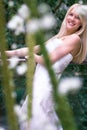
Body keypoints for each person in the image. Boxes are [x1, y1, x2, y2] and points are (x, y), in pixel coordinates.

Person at [6, 3, 87, 130]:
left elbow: (47, 60)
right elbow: (32, 49)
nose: (72, 19)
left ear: (82, 23)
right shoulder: (60, 37)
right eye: (71, 14)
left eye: (78, 17)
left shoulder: (75, 39)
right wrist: (5, 54)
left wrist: (31, 56)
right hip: (38, 85)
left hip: (46, 87)